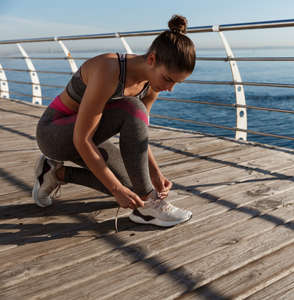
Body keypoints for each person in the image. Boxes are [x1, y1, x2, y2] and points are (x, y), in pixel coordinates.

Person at [32, 15, 195, 228]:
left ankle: (54, 173)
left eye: (177, 83)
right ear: (152, 60)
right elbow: (82, 139)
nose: (170, 88)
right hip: (54, 133)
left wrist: (156, 174)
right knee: (132, 109)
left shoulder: (152, 85)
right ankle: (149, 205)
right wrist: (116, 190)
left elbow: (140, 133)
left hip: (88, 134)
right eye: (168, 79)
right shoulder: (110, 69)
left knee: (134, 188)